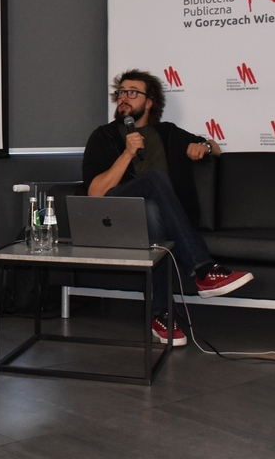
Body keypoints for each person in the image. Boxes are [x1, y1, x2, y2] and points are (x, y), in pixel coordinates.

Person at [82, 69, 253, 346]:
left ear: (149, 102)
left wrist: (205, 147)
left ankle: (161, 315)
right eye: (121, 92)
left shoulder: (169, 133)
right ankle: (203, 269)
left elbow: (216, 148)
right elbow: (95, 193)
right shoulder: (103, 136)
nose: (124, 98)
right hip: (120, 215)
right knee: (154, 179)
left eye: (132, 93)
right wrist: (127, 153)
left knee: (151, 211)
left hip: (158, 219)